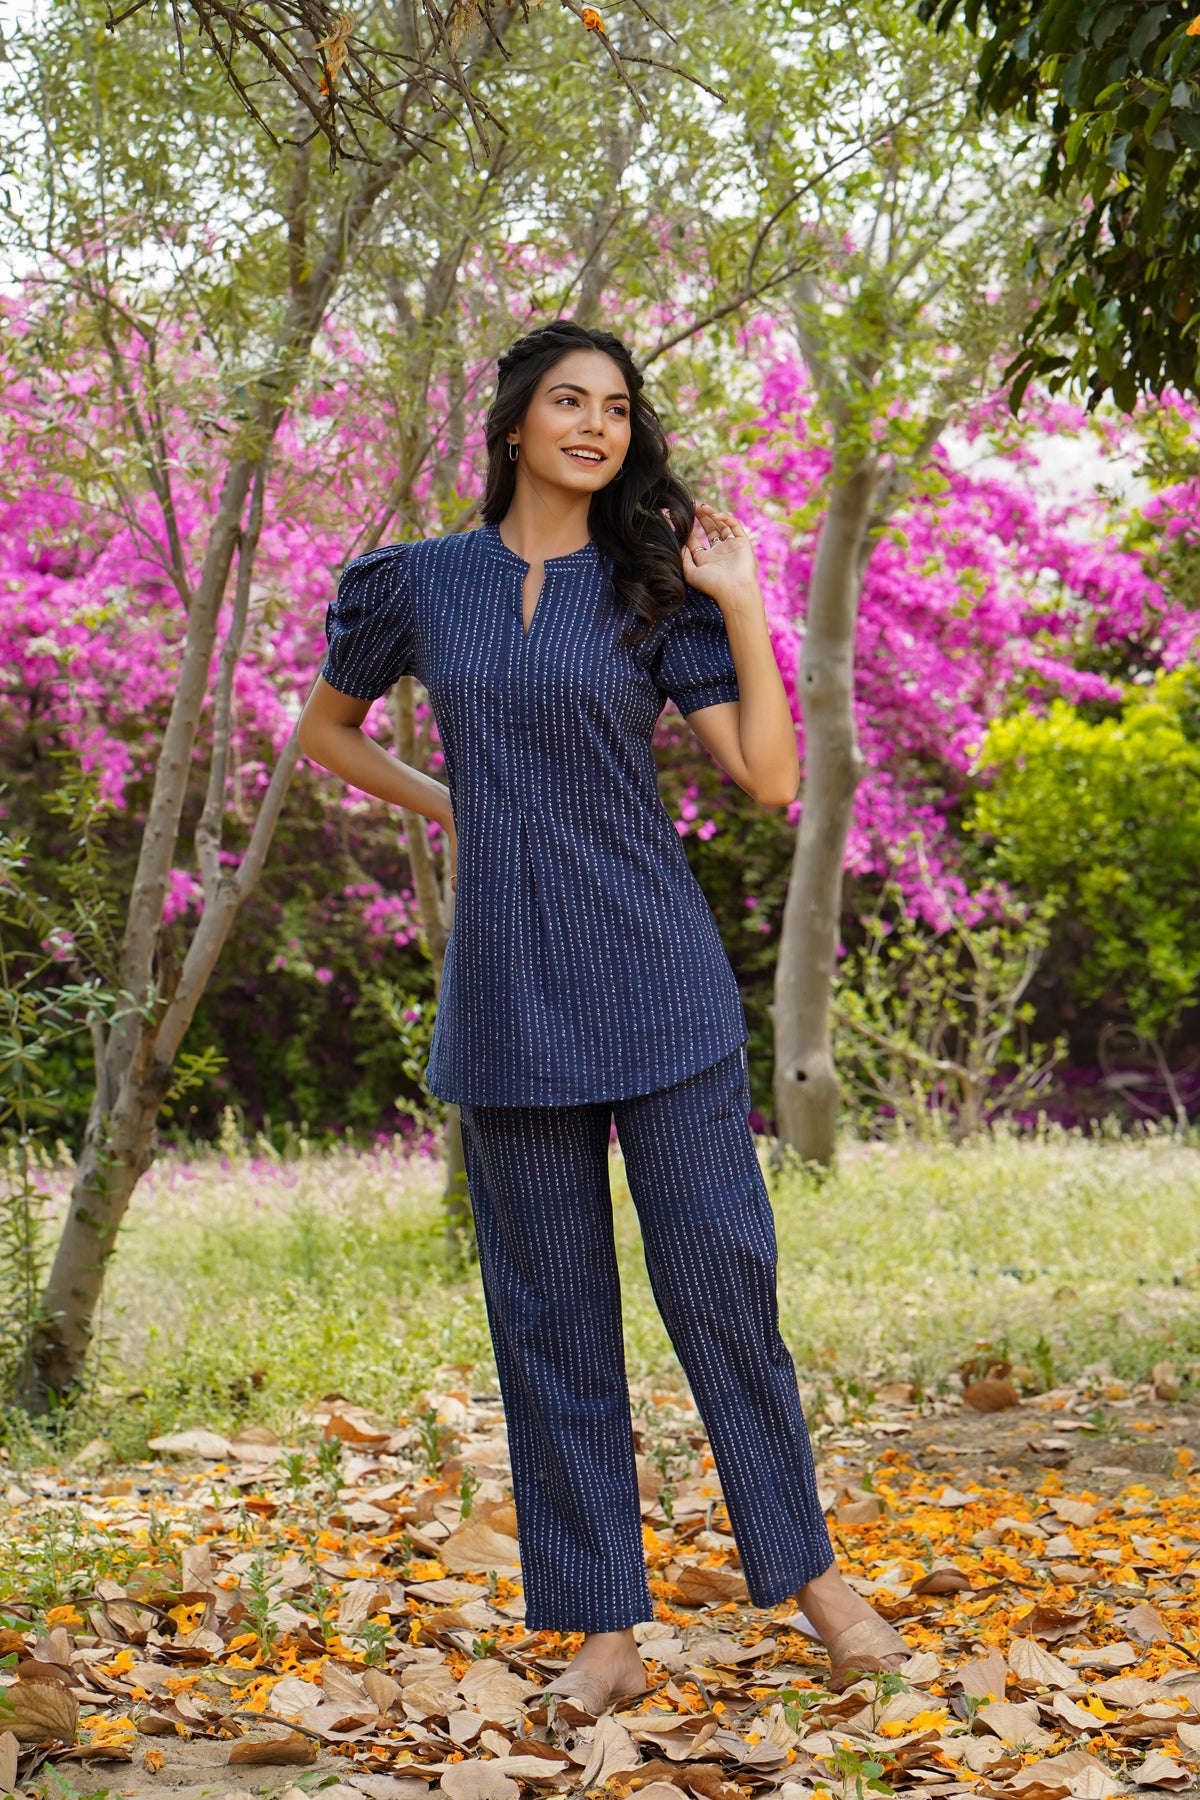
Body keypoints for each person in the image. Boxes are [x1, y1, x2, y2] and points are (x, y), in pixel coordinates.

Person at [297, 318, 909, 1712]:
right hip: (508, 1001)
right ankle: (604, 1631)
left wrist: (744, 600)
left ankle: (812, 1575)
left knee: (718, 1283)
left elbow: (763, 778)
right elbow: (326, 731)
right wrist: (460, 806)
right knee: (550, 1319)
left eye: (617, 410)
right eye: (568, 402)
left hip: (660, 977)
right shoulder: (419, 587)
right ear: (514, 422)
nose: (595, 426)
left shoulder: (652, 591)